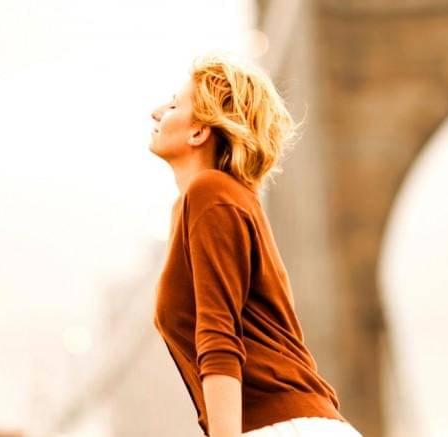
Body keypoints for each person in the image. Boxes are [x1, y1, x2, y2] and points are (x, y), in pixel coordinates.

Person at [149, 52, 364, 437]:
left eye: (174, 104)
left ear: (200, 132)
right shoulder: (214, 201)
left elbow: (218, 337)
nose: (155, 112)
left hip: (280, 426)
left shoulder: (211, 193)